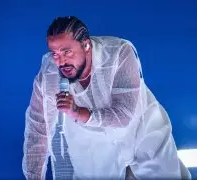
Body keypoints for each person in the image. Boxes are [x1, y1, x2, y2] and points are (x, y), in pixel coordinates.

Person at [22, 16, 191, 179]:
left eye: (67, 52)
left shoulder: (119, 53)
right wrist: (34, 176)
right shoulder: (49, 74)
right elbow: (38, 129)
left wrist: (77, 112)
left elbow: (124, 115)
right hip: (93, 142)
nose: (61, 61)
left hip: (141, 127)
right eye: (55, 54)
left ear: (86, 45)